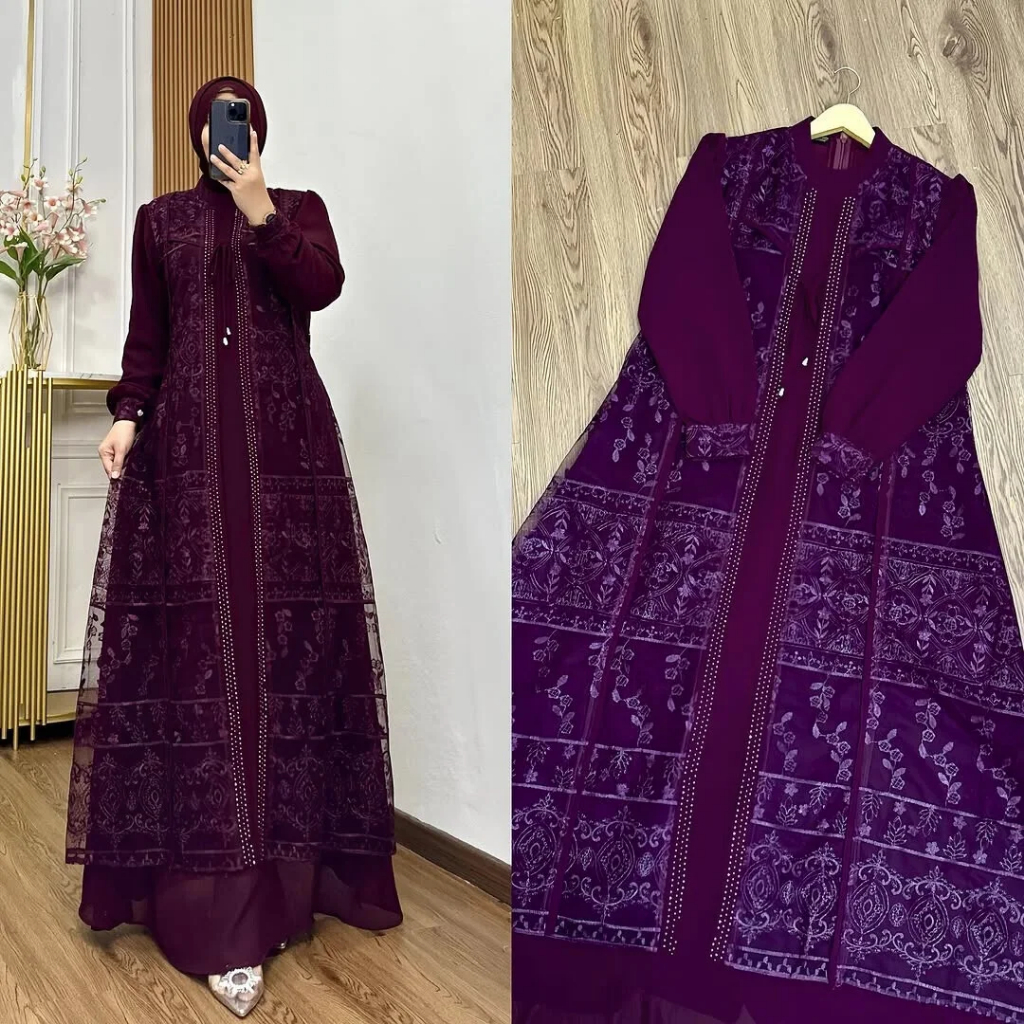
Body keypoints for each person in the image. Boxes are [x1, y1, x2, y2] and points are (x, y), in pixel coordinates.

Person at [65, 76, 402, 1018]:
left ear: (259, 130)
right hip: (186, 467)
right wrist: (128, 414)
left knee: (280, 659)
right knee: (201, 663)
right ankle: (215, 915)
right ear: (197, 134)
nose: (231, 130)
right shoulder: (160, 221)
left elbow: (321, 287)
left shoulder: (297, 209)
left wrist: (260, 211)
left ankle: (284, 889)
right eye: (219, 120)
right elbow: (149, 336)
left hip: (287, 464)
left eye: (243, 118)